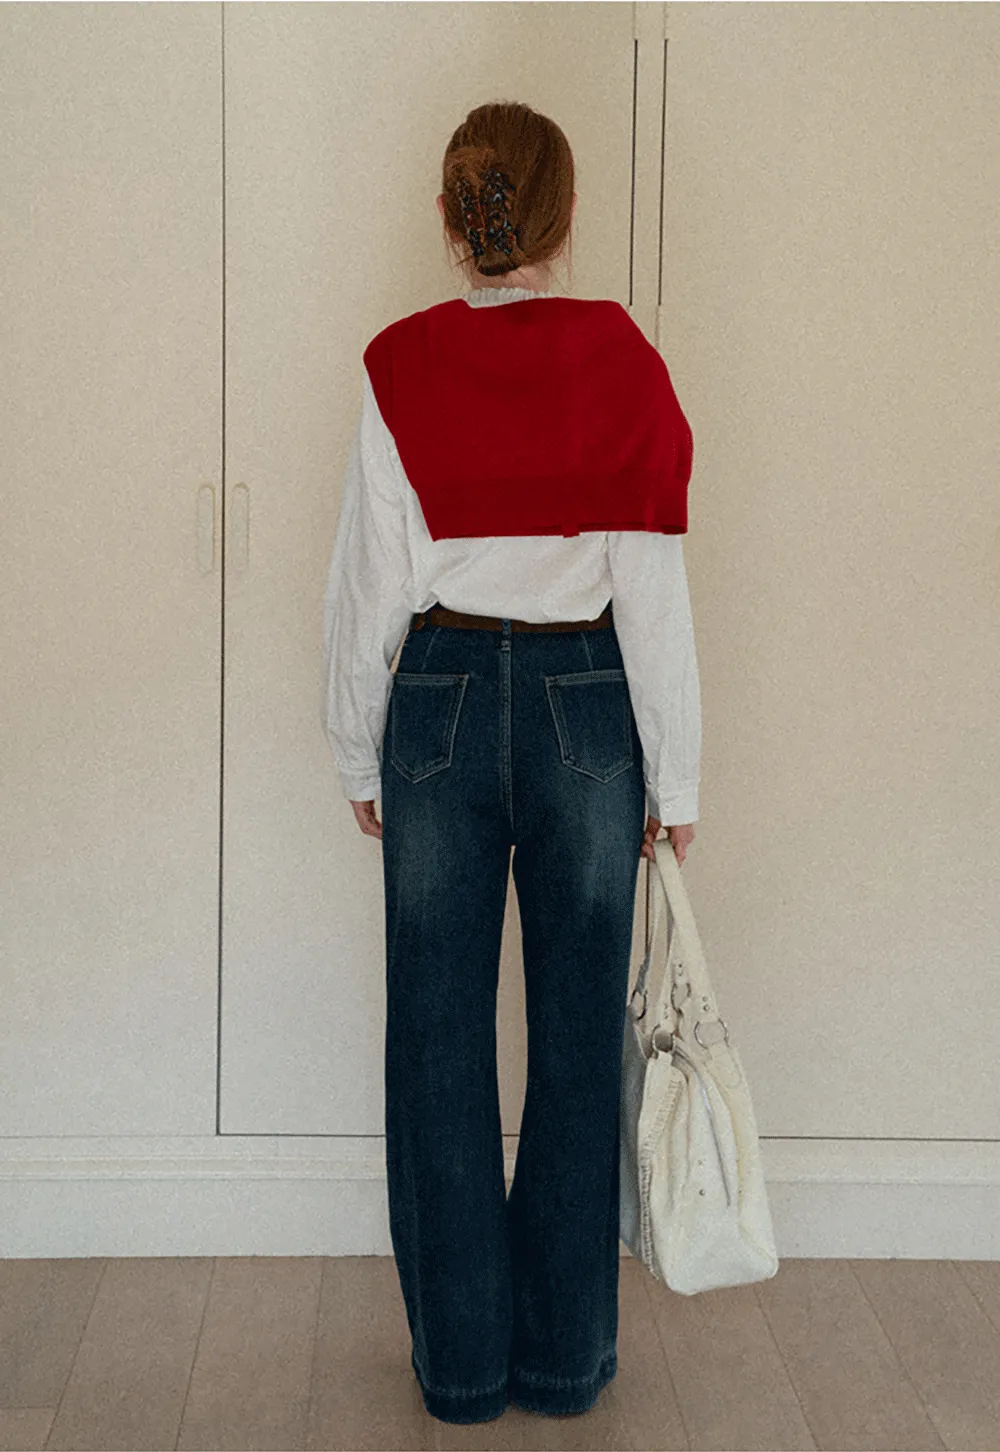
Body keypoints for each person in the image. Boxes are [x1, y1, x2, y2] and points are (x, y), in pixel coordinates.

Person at [321, 101, 700, 1425]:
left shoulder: (397, 365)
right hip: (588, 705)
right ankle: (559, 1362)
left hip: (432, 699)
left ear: (453, 217)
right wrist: (682, 779)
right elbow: (652, 593)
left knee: (434, 1035)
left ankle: (464, 1370)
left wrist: (353, 742)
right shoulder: (624, 360)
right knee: (577, 1033)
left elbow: (370, 582)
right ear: (564, 215)